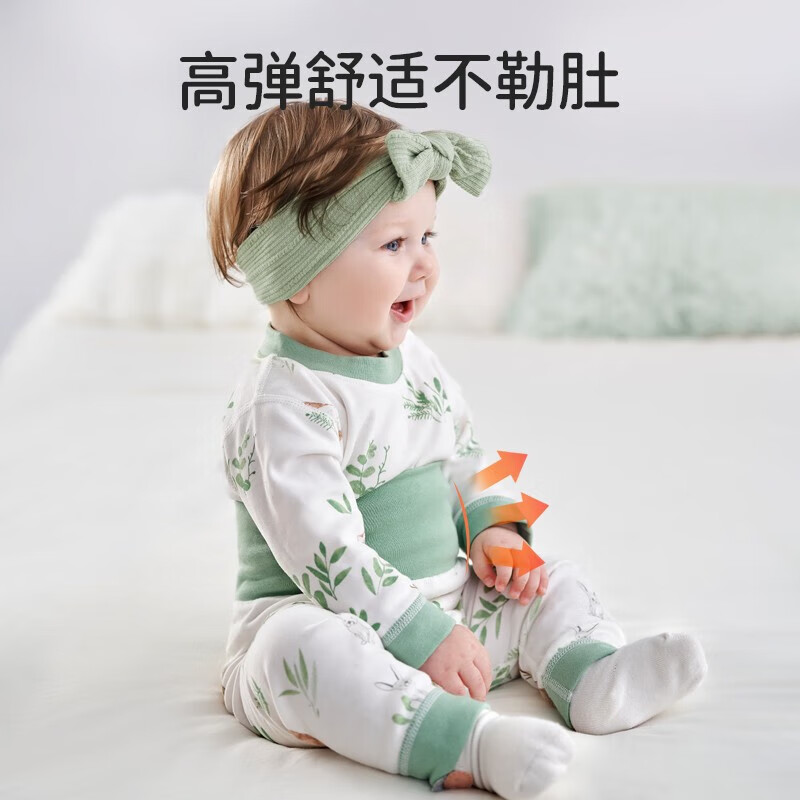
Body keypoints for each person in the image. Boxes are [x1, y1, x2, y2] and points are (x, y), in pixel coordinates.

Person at [207, 100, 708, 799]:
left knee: (550, 582)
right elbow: (326, 554)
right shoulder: (281, 404)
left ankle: (589, 674)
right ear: (298, 273)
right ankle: (466, 743)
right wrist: (422, 638)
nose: (424, 266)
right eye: (393, 245)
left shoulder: (413, 359)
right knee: (301, 653)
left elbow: (468, 452)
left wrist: (495, 530)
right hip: (333, 619)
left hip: (447, 612)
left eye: (427, 236)